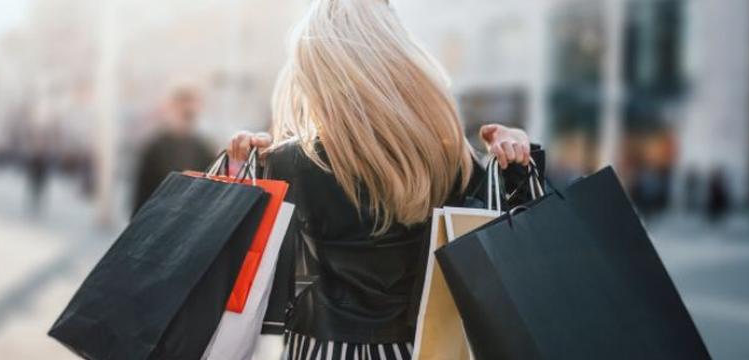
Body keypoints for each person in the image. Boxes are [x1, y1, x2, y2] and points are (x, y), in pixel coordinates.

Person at [227, 1, 539, 359]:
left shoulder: (290, 161)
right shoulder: (443, 155)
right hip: (416, 347)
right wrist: (515, 157)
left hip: (319, 348)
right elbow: (513, 233)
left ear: (319, 68)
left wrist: (243, 169)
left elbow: (246, 262)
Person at [132, 83, 214, 216]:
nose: (187, 110)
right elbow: (141, 197)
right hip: (157, 220)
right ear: (171, 107)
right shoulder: (154, 147)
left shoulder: (204, 148)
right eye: (182, 104)